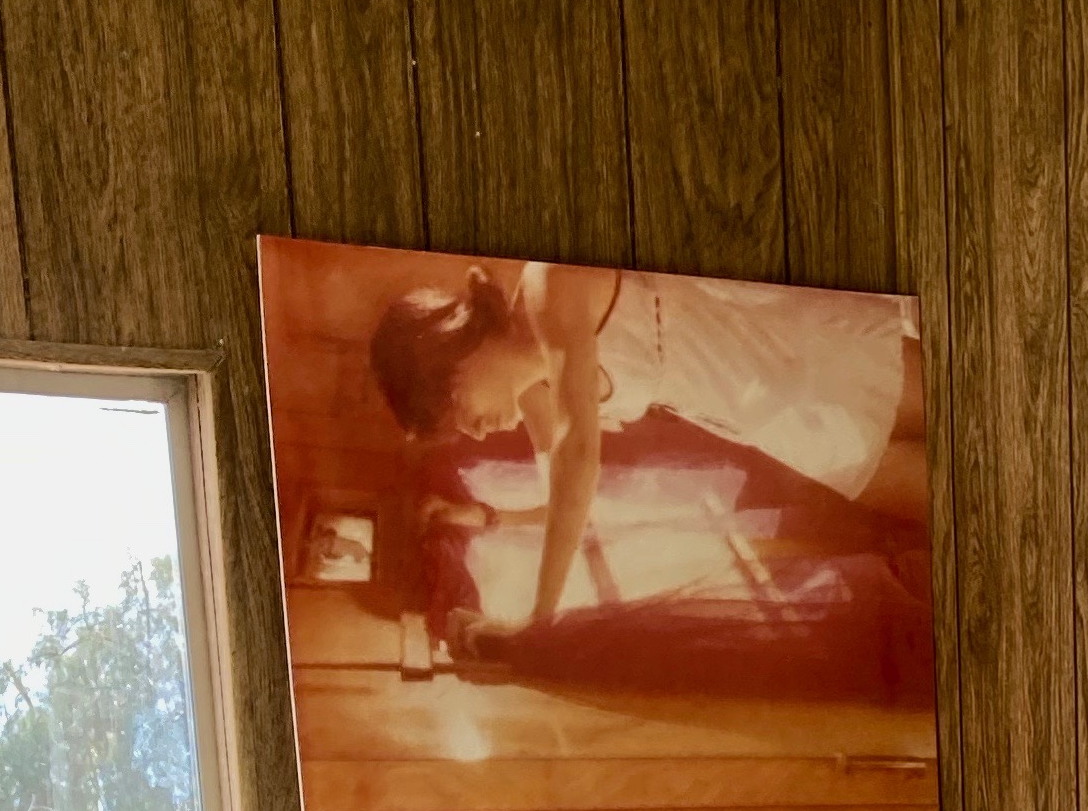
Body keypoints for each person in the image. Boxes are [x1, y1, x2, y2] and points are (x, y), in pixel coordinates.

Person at [367, 261, 925, 639]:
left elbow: (577, 458)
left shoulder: (549, 286)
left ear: (453, 355)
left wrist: (538, 622)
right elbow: (567, 507)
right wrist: (485, 515)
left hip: (800, 352)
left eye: (456, 409)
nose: (476, 432)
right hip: (777, 422)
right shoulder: (538, 394)